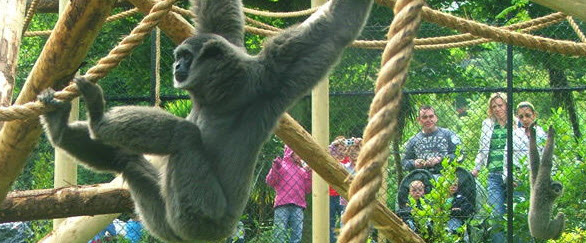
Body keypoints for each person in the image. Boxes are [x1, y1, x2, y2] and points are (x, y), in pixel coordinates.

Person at [471, 93, 528, 243]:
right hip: (494, 175)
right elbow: (482, 149)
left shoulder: (519, 123)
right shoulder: (487, 124)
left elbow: (526, 150)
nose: (497, 109)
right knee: (496, 216)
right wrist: (476, 168)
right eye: (493, 106)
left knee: (518, 215)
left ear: (507, 106)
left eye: (500, 105)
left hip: (515, 175)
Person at [266, 145, 312, 243]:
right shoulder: (281, 165)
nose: (300, 155)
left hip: (298, 205)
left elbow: (308, 189)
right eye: (297, 152)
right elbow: (270, 181)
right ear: (290, 152)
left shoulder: (302, 170)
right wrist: (275, 168)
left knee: (297, 235)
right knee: (279, 233)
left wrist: (309, 174)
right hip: (282, 204)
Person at [402, 105, 461, 177]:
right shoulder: (413, 140)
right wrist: (414, 163)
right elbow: (403, 162)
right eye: (424, 117)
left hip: (446, 175)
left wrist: (441, 159)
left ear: (436, 118)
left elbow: (460, 155)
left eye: (431, 116)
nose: (428, 120)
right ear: (419, 120)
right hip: (422, 178)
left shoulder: (448, 134)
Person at [327, 136, 351, 243]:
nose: (341, 151)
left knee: (344, 220)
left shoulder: (348, 161)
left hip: (343, 195)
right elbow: (326, 150)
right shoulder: (331, 158)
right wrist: (334, 143)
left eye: (343, 148)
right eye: (339, 149)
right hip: (330, 195)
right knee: (330, 221)